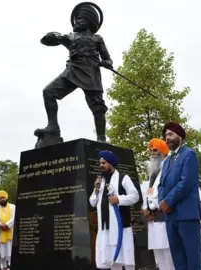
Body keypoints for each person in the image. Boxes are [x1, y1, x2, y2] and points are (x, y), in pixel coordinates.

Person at [34, 3, 113, 143]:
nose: (77, 21)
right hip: (72, 72)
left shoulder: (97, 39)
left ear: (89, 21)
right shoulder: (70, 37)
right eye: (76, 18)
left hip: (91, 74)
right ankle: (53, 127)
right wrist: (55, 37)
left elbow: (108, 58)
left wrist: (107, 63)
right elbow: (46, 41)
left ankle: (101, 138)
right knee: (48, 92)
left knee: (98, 107)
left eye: (80, 18)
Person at [157, 122, 201, 270]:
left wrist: (168, 202)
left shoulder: (189, 154)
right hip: (170, 216)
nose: (167, 138)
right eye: (166, 135)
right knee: (177, 258)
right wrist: (161, 203)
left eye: (170, 134)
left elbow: (186, 182)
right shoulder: (166, 161)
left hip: (186, 214)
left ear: (180, 136)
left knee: (191, 257)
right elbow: (161, 185)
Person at [89, 150, 139, 270]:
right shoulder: (101, 182)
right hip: (106, 228)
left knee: (127, 260)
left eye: (104, 163)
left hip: (121, 227)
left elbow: (135, 196)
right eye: (100, 163)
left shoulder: (123, 178)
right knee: (113, 261)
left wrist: (119, 199)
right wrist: (95, 189)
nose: (101, 166)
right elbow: (92, 202)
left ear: (111, 163)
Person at [142, 139, 174, 270]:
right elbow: (149, 192)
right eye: (151, 151)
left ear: (163, 152)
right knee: (158, 252)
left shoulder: (169, 168)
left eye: (155, 150)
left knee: (168, 252)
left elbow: (168, 192)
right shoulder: (153, 173)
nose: (152, 153)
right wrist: (145, 208)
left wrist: (153, 206)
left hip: (164, 215)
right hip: (153, 219)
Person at [0, 190, 16, 270]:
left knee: (11, 250)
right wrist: (0, 225)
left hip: (10, 232)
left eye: (3, 197)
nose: (2, 199)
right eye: (0, 198)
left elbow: (14, 217)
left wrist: (7, 225)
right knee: (2, 252)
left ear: (6, 197)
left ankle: (11, 265)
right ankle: (4, 266)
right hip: (1, 233)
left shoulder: (13, 206)